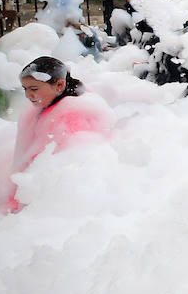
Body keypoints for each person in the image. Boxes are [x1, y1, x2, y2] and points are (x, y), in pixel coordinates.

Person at [9, 56, 113, 211]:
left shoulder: (74, 115)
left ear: (59, 85)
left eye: (34, 89)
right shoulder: (49, 104)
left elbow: (71, 163)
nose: (28, 95)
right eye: (25, 89)